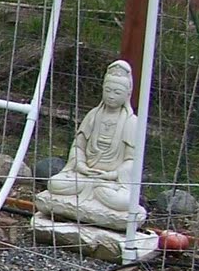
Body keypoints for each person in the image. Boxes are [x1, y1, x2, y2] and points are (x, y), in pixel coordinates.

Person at [36, 60, 146, 230]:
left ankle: (90, 200)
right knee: (54, 184)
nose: (111, 96)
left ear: (128, 94)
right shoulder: (93, 115)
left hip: (110, 183)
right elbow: (78, 146)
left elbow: (133, 160)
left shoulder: (131, 122)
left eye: (117, 92)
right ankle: (86, 199)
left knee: (124, 202)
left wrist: (112, 175)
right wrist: (80, 165)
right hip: (83, 176)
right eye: (108, 90)